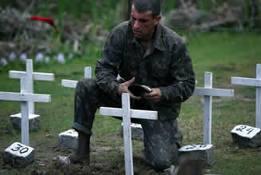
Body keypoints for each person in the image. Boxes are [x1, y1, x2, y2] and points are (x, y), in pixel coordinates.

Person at [58, 0, 195, 172]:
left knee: (161, 163)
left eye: (143, 21)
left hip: (158, 108)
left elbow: (187, 84)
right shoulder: (121, 33)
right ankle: (81, 153)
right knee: (86, 86)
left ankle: (170, 137)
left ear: (157, 19)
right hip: (125, 97)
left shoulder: (174, 44)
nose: (136, 25)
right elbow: (103, 69)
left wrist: (163, 92)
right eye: (133, 18)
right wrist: (117, 87)